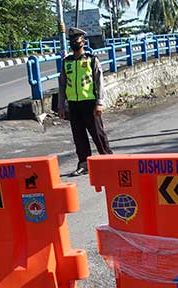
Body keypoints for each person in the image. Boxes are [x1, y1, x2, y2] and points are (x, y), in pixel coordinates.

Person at [57, 27, 113, 177]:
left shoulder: (91, 59)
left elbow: (99, 81)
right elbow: (62, 85)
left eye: (77, 40)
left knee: (98, 134)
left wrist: (99, 102)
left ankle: (109, 161)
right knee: (79, 136)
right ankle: (83, 164)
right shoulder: (66, 62)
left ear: (83, 41)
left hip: (90, 103)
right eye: (72, 40)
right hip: (73, 105)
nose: (74, 42)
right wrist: (61, 106)